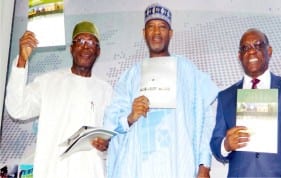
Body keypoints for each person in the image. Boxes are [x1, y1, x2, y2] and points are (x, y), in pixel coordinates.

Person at [103, 3, 218, 178]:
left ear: (170, 33)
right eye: (151, 27)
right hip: (138, 168)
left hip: (179, 166)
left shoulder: (188, 72)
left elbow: (206, 119)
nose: (156, 32)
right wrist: (130, 117)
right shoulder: (130, 77)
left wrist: (204, 165)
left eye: (162, 27)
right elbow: (110, 125)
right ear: (144, 33)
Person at [5, 21, 112, 178]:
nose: (85, 46)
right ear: (71, 48)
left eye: (91, 42)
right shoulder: (48, 82)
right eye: (80, 41)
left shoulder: (106, 91)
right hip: (52, 172)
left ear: (98, 51)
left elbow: (112, 143)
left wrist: (106, 146)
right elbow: (17, 109)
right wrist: (22, 60)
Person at [210, 28, 281, 177]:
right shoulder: (226, 96)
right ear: (239, 56)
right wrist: (226, 145)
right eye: (245, 48)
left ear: (269, 51)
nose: (251, 51)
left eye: (258, 45)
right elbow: (215, 143)